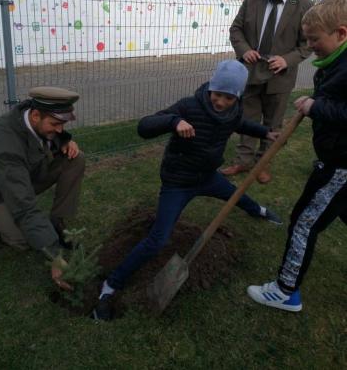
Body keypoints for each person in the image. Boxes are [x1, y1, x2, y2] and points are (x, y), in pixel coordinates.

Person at [92, 60, 282, 321]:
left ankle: (259, 211)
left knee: (235, 195)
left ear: (236, 97)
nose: (220, 102)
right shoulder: (189, 107)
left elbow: (239, 124)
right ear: (210, 89)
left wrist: (265, 133)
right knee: (157, 239)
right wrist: (174, 122)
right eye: (217, 95)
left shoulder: (233, 110)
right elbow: (144, 127)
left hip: (207, 177)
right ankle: (110, 286)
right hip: (178, 183)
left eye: (228, 98)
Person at [247, 0, 347, 312]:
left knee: (304, 222)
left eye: (315, 39)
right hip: (337, 157)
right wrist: (318, 101)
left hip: (341, 164)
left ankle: (286, 291)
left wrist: (317, 106)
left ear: (341, 33)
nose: (310, 45)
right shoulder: (337, 64)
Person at [0, 86, 85, 290]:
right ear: (35, 116)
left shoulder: (33, 118)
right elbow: (24, 205)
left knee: (75, 159)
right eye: (56, 123)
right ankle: (1, 229)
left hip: (22, 176)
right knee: (23, 239)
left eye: (63, 124)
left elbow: (48, 135)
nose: (60, 129)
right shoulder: (5, 145)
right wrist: (54, 256)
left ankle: (57, 224)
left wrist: (65, 141)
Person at [222, 0, 313, 184]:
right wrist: (244, 50)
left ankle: (262, 165)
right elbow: (236, 29)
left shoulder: (304, 7)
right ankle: (243, 161)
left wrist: (287, 59)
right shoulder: (252, 0)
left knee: (273, 124)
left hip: (280, 78)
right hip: (251, 73)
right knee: (248, 119)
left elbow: (308, 43)